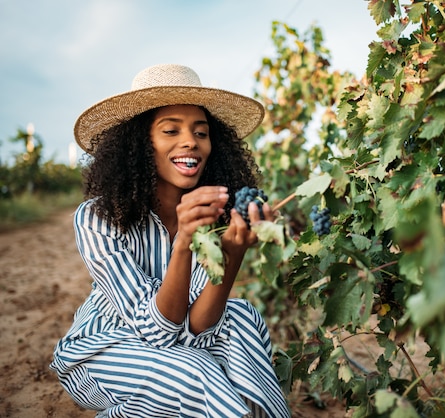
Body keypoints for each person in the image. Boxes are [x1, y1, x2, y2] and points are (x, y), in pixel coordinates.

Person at [50, 64, 291, 418]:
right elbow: (158, 334)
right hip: (99, 355)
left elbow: (195, 332)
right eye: (170, 130)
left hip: (177, 346)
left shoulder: (214, 217)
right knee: (196, 371)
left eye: (201, 132)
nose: (191, 141)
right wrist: (183, 244)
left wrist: (231, 256)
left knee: (242, 318)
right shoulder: (98, 218)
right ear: (140, 142)